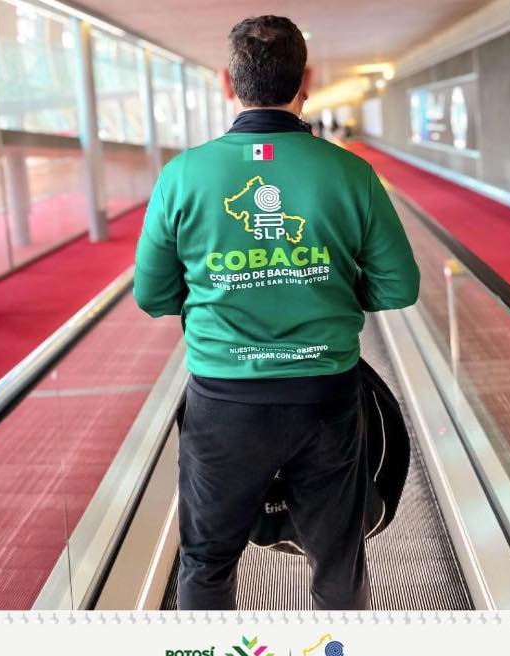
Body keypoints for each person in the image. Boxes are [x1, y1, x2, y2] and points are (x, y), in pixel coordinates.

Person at [133, 15, 419, 611]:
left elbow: (153, 295)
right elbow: (399, 287)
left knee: (206, 560)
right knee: (338, 560)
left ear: (227, 82)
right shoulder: (351, 173)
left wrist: (223, 294)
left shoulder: (182, 176)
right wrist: (327, 291)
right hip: (326, 397)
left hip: (223, 400)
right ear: (305, 81)